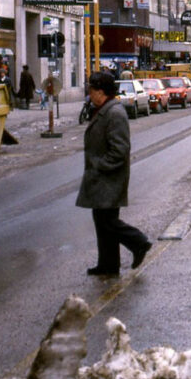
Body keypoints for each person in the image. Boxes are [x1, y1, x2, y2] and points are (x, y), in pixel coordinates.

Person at [76, 71, 152, 276]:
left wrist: (100, 166)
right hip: (103, 178)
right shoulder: (103, 110)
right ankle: (108, 264)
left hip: (109, 178)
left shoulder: (114, 113)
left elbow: (120, 150)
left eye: (91, 90)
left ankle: (139, 242)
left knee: (107, 222)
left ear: (101, 92)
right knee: (102, 221)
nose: (89, 94)